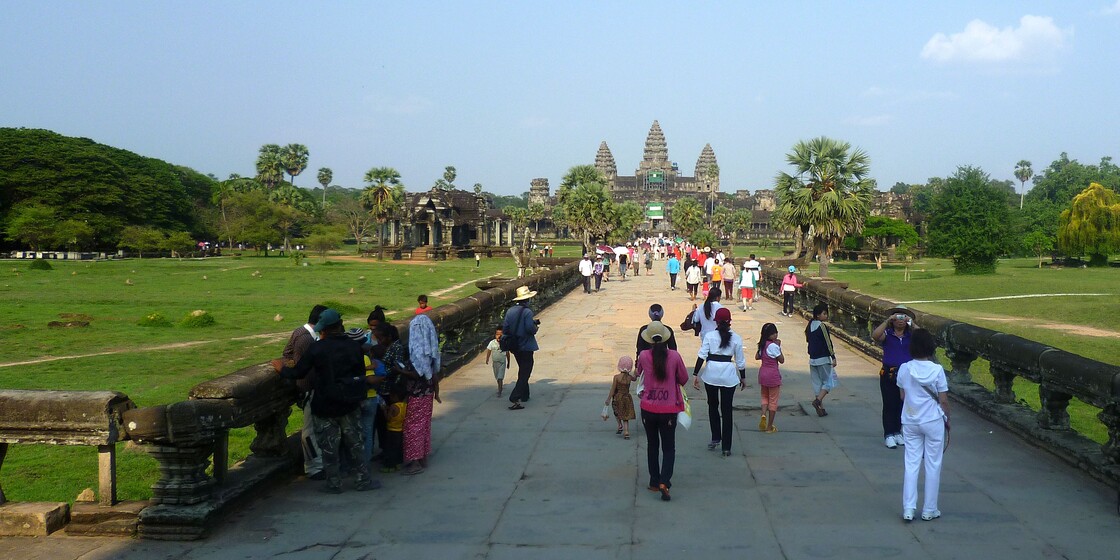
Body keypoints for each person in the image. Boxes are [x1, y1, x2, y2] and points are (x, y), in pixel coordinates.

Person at [280, 309, 379, 493]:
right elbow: (360, 373)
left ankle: (334, 483)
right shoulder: (354, 347)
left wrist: (281, 368)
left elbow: (298, 372)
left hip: (325, 404)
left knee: (329, 447)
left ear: (324, 329)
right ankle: (363, 480)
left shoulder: (317, 348)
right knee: (356, 444)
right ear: (340, 325)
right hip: (349, 403)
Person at [897, 328, 949, 522]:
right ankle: (929, 509)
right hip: (932, 420)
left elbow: (903, 395)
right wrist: (947, 418)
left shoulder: (904, 368)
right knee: (933, 464)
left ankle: (908, 508)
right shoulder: (937, 370)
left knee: (911, 464)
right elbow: (943, 400)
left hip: (910, 420)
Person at [635, 321, 688, 502]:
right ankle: (665, 481)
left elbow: (638, 373)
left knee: (652, 445)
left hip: (648, 408)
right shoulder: (674, 356)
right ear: (667, 338)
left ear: (649, 340)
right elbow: (683, 378)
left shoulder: (643, 355)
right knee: (668, 447)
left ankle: (654, 481)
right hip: (668, 409)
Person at [281, 304, 327, 481]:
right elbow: (305, 367)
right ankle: (314, 466)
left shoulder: (302, 333)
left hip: (307, 386)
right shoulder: (306, 339)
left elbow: (286, 353)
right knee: (310, 430)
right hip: (309, 386)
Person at [692, 307, 747, 456]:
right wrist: (743, 377)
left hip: (711, 374)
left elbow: (702, 355)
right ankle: (726, 447)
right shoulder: (736, 338)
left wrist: (695, 374)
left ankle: (716, 437)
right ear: (730, 322)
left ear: (716, 321)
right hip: (728, 375)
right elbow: (740, 361)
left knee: (712, 406)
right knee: (727, 410)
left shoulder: (709, 336)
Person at [397, 312, 441, 475]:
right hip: (427, 393)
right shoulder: (431, 352)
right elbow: (433, 373)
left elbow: (418, 373)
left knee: (412, 427)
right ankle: (423, 457)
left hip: (416, 394)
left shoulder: (418, 353)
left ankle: (414, 462)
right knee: (423, 425)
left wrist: (400, 370)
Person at [873, 306, 915, 449]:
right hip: (889, 374)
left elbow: (923, 336)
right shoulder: (888, 334)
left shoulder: (910, 335)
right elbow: (875, 335)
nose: (900, 320)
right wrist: (887, 320)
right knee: (889, 404)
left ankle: (898, 431)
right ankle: (889, 434)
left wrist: (912, 323)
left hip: (906, 375)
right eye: (898, 317)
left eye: (903, 317)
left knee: (902, 404)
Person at [504, 285, 540, 410]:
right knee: (526, 370)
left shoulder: (510, 311)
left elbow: (506, 328)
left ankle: (525, 394)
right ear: (527, 299)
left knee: (523, 368)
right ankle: (515, 396)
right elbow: (530, 329)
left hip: (514, 345)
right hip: (525, 345)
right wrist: (535, 327)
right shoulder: (527, 312)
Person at [805, 303, 837, 417]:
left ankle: (821, 408)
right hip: (823, 358)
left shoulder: (810, 325)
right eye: (824, 313)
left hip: (813, 359)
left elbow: (808, 340)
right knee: (828, 382)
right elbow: (828, 342)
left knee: (817, 384)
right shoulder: (822, 326)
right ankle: (818, 401)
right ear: (818, 315)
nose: (826, 316)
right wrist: (833, 356)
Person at [756, 322, 784, 433]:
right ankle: (769, 426)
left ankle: (763, 414)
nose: (776, 335)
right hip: (772, 375)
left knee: (764, 397)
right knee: (773, 401)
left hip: (763, 373)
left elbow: (757, 356)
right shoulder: (773, 346)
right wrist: (778, 347)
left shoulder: (762, 344)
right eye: (774, 333)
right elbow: (781, 360)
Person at [605, 356, 636, 439]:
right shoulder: (629, 377)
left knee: (617, 411)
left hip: (618, 397)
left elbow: (613, 389)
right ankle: (626, 431)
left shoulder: (616, 377)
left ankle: (619, 425)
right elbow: (635, 378)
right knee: (626, 415)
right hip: (627, 397)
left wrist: (608, 399)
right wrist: (636, 371)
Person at [379, 385, 407, 473]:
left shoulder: (393, 407)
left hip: (392, 431)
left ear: (395, 396)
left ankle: (390, 466)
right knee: (398, 448)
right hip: (400, 430)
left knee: (390, 449)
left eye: (391, 396)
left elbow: (388, 418)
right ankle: (398, 463)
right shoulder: (404, 405)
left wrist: (384, 410)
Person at [484, 325, 510, 398]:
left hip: (502, 362)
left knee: (500, 377)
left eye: (500, 334)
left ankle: (500, 391)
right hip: (495, 362)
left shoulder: (505, 343)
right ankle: (499, 386)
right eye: (497, 334)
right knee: (497, 377)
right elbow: (489, 350)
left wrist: (508, 363)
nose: (498, 336)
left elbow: (507, 353)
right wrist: (487, 359)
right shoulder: (492, 343)